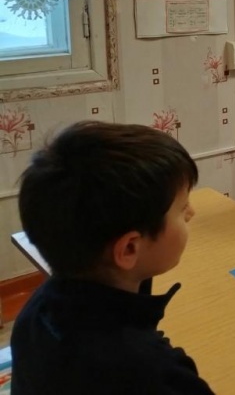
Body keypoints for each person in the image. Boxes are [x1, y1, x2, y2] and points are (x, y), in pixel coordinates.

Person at [11, 121, 214, 395]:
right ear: (129, 249)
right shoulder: (155, 373)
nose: (191, 213)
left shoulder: (37, 311)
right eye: (182, 208)